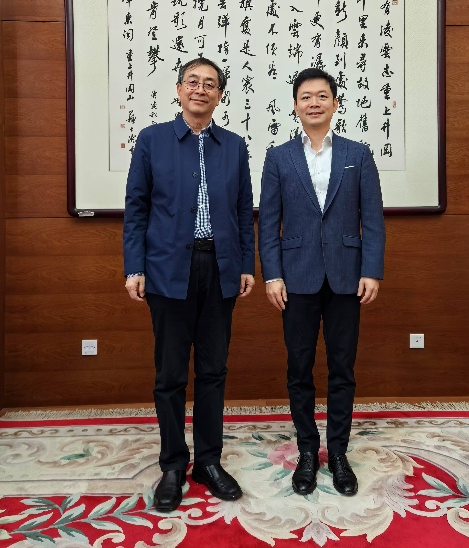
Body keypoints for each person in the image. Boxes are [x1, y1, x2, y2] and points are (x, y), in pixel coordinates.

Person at [123, 57, 255, 512]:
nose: (201, 89)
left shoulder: (234, 146)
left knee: (214, 371)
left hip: (220, 268)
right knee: (171, 374)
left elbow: (243, 211)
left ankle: (209, 462)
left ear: (220, 95)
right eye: (193, 82)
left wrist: (245, 264)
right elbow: (137, 208)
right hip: (167, 270)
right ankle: (174, 465)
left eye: (210, 84)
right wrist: (134, 267)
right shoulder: (152, 140)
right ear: (179, 90)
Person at [258, 67, 385, 497]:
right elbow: (268, 222)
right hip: (296, 277)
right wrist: (272, 274)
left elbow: (373, 218)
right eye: (306, 97)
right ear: (295, 106)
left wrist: (371, 270)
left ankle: (340, 452)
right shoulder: (278, 157)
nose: (314, 103)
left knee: (342, 368)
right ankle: (308, 452)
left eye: (322, 96)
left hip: (348, 275)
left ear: (335, 103)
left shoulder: (357, 154)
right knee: (299, 368)